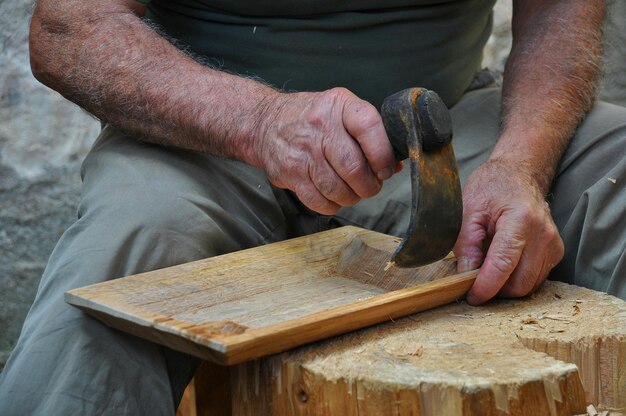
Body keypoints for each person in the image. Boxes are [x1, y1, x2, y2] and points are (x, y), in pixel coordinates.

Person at [1, 0, 624, 414]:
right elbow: (71, 26)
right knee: (124, 257)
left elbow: (561, 10)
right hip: (204, 136)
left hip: (444, 130)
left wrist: (521, 164)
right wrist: (259, 121)